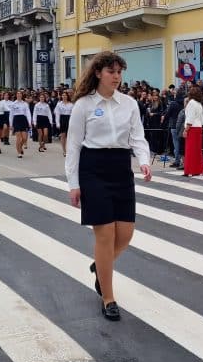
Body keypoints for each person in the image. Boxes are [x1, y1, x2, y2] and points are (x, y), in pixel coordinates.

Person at [65, 51, 152, 322]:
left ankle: (99, 266)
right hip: (93, 168)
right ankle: (108, 297)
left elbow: (138, 137)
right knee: (104, 235)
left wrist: (144, 161)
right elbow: (74, 146)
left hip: (120, 167)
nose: (116, 76)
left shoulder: (129, 104)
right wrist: (74, 183)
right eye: (111, 71)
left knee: (125, 235)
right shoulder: (84, 105)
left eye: (119, 72)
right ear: (99, 73)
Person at [182, 85, 203, 177]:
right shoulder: (199, 104)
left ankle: (189, 170)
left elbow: (190, 118)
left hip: (192, 128)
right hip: (198, 127)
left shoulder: (191, 103)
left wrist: (185, 130)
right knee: (197, 151)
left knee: (190, 151)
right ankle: (197, 170)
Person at [7, 89, 32, 158]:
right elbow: (11, 114)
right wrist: (11, 124)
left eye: (20, 94)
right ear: (16, 95)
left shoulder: (25, 104)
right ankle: (19, 152)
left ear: (22, 95)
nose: (19, 95)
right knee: (19, 138)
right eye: (17, 94)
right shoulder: (13, 104)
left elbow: (28, 113)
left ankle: (20, 147)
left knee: (24, 138)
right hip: (16, 120)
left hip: (23, 120)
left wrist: (29, 122)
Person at [53, 91, 73, 157]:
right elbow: (57, 114)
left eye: (65, 95)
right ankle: (64, 150)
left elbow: (73, 114)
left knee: (69, 136)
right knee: (63, 135)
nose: (64, 96)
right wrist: (57, 123)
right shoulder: (59, 104)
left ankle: (69, 149)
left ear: (67, 96)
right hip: (62, 119)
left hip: (69, 119)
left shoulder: (71, 104)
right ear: (61, 96)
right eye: (63, 95)